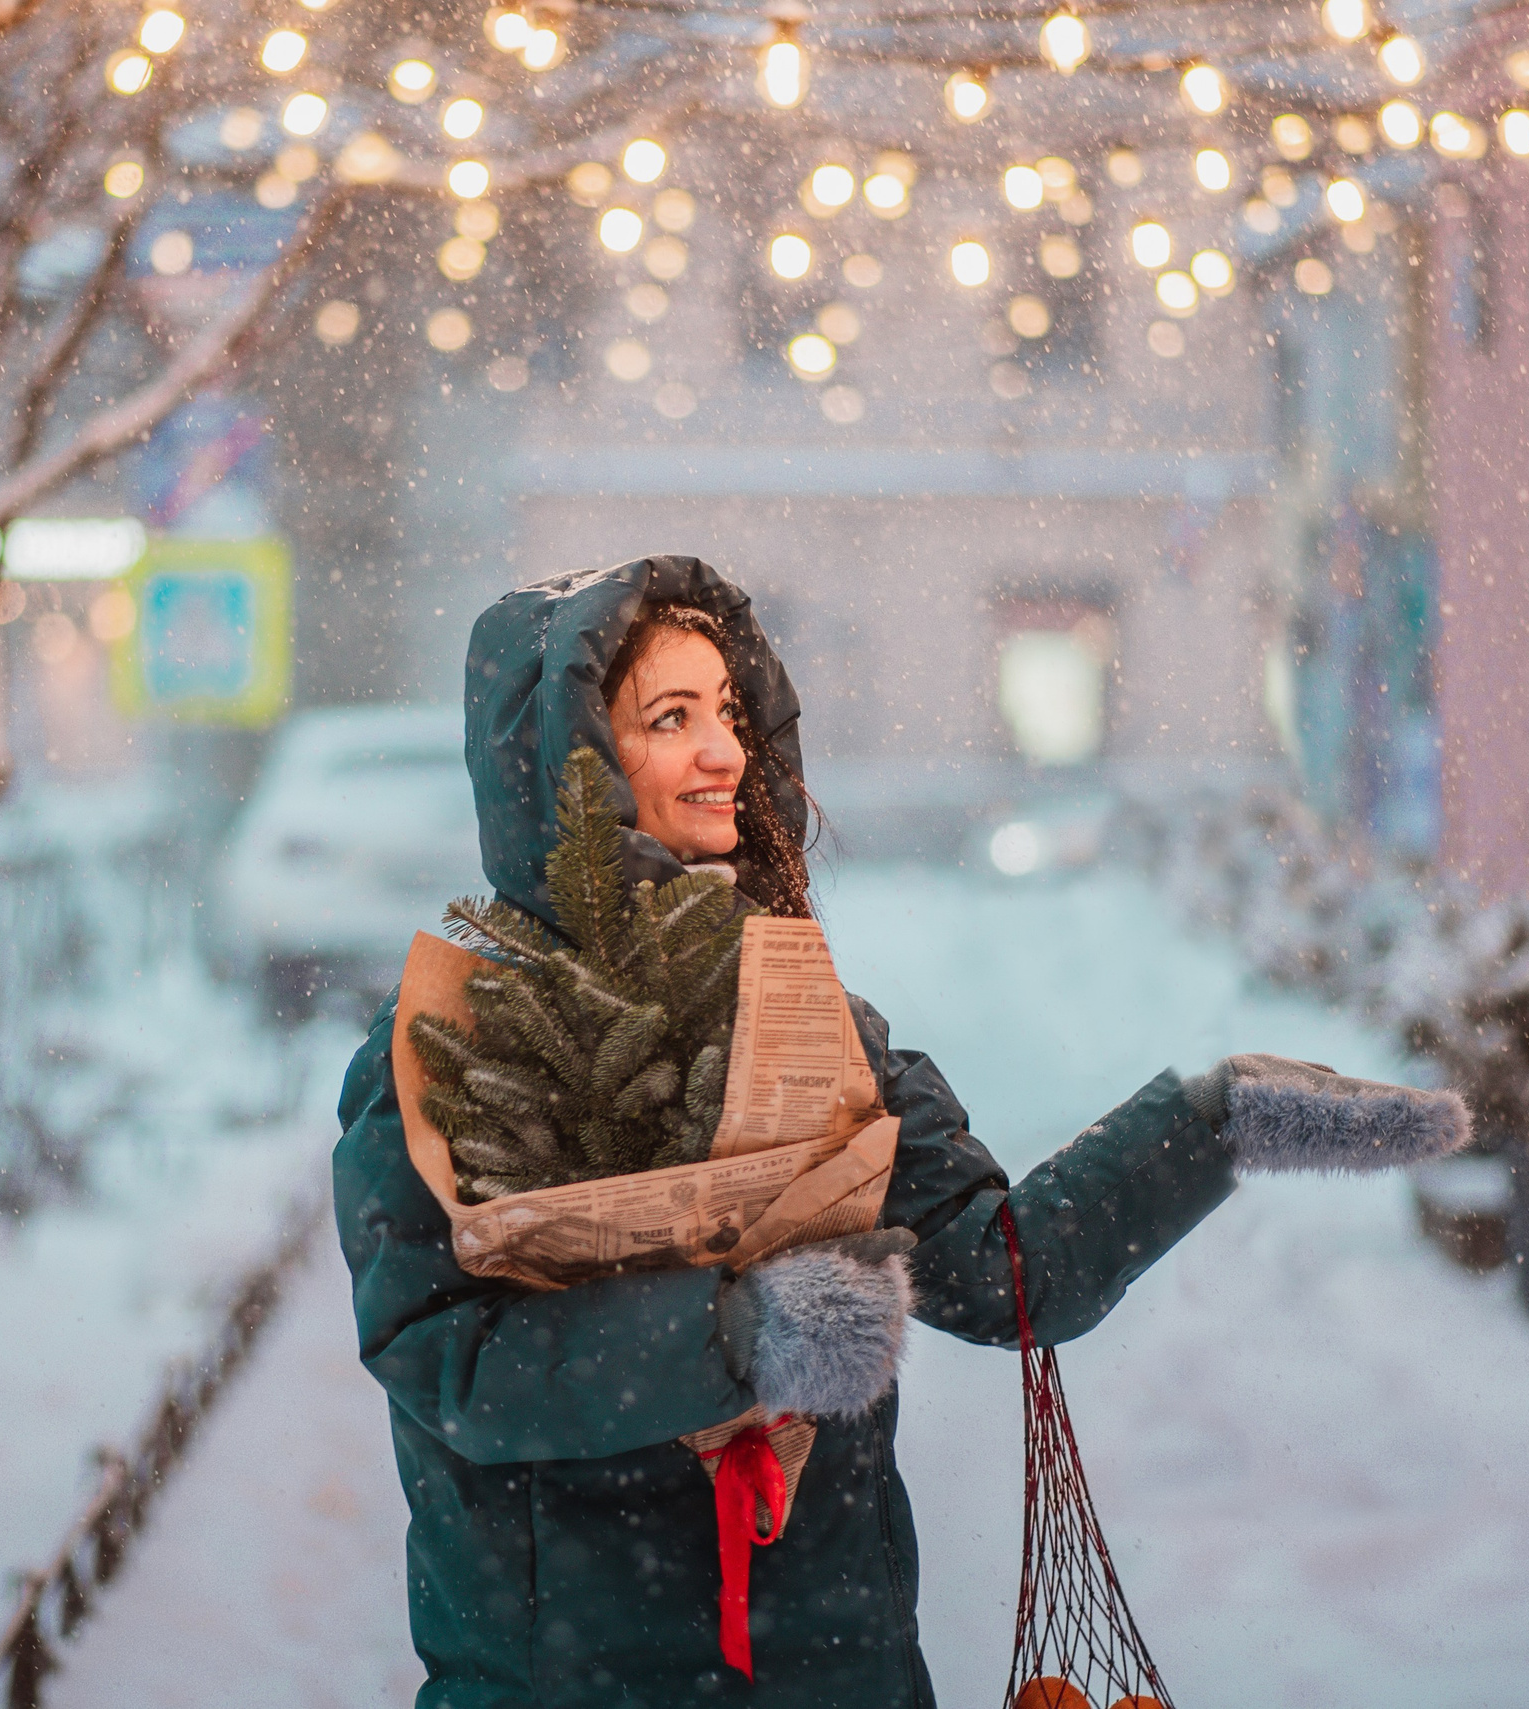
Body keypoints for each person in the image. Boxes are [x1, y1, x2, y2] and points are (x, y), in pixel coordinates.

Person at [333, 556, 1467, 1708]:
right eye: (670, 718)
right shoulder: (458, 1042)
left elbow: (1002, 1271)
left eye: (728, 710)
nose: (724, 749)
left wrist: (1212, 1123)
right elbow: (445, 1353)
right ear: (560, 768)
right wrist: (736, 1335)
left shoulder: (808, 1018)